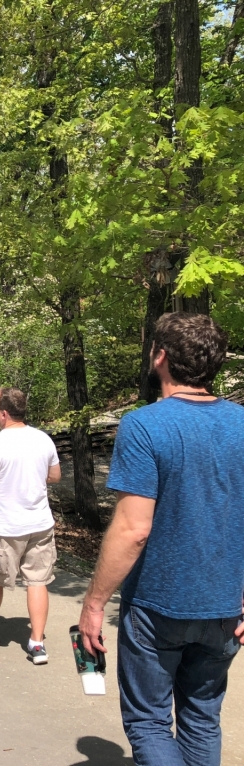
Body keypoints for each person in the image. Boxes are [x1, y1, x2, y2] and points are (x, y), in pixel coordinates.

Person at [78, 312, 244, 766]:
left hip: (158, 606)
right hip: (224, 607)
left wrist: (94, 604)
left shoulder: (144, 425)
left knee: (149, 722)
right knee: (202, 719)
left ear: (161, 356)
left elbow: (133, 530)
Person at [0, 387, 61, 665]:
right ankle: (37, 643)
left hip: (5, 525)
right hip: (39, 522)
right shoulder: (42, 438)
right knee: (38, 581)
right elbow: (54, 475)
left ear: (4, 414)